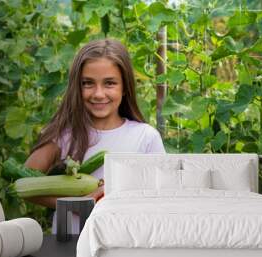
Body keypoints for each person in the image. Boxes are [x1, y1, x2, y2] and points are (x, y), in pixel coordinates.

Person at [24, 39, 165, 234]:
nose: (99, 94)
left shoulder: (145, 137)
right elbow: (25, 186)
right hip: (70, 246)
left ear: (125, 87)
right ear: (76, 87)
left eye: (109, 83)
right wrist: (73, 204)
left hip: (124, 242)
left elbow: (161, 194)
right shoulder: (64, 135)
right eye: (88, 83)